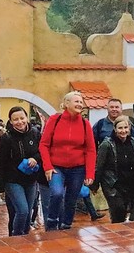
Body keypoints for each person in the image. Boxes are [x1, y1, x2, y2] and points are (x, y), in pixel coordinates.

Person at [39, 91, 96, 231]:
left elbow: (90, 150)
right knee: (57, 193)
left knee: (71, 198)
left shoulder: (85, 124)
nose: (79, 104)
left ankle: (66, 225)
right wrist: (47, 166)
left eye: (81, 102)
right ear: (66, 103)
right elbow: (43, 144)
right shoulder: (54, 120)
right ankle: (52, 222)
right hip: (56, 166)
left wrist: (90, 174)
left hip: (77, 168)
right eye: (76, 101)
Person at [92, 115, 134, 223]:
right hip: (113, 184)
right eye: (120, 128)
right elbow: (99, 165)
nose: (123, 131)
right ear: (115, 129)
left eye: (125, 128)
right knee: (118, 211)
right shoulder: (107, 144)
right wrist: (95, 184)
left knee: (133, 215)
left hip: (131, 183)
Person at [0, 107, 41, 236]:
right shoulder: (7, 138)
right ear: (11, 121)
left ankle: (25, 235)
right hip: (12, 180)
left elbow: (42, 151)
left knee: (29, 210)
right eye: (16, 119)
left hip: (31, 179)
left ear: (26, 118)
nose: (20, 122)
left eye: (22, 118)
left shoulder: (35, 133)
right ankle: (17, 237)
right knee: (22, 210)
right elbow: (0, 163)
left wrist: (34, 158)